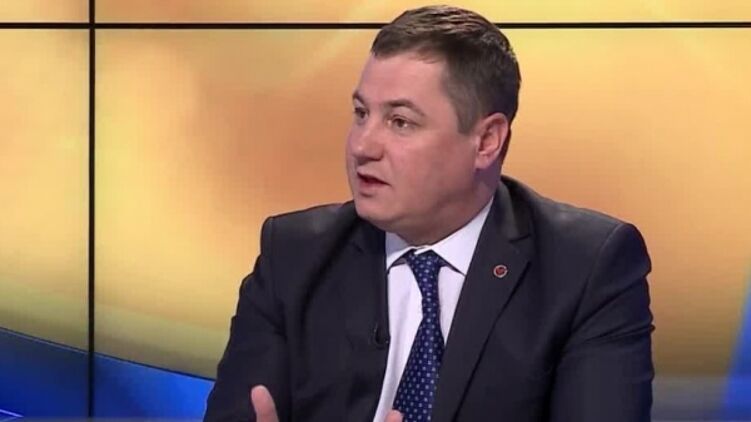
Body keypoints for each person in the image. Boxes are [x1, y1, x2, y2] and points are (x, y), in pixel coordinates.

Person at [204, 5, 654, 422]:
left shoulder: (585, 270)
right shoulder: (294, 257)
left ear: (486, 141)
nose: (362, 146)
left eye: (400, 121)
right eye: (361, 113)